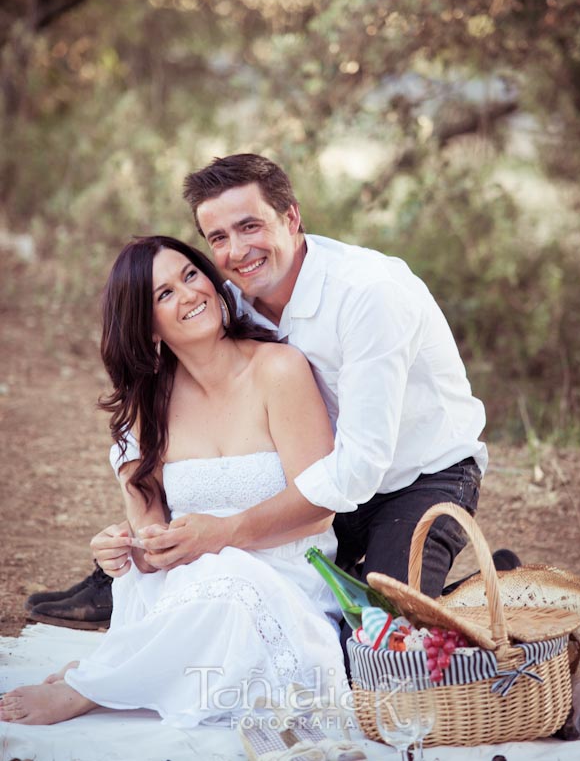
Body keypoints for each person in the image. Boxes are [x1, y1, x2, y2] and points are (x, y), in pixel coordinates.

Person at [93, 155, 492, 632]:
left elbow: (360, 467)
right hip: (321, 480)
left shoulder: (369, 294)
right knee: (198, 595)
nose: (238, 251)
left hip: (417, 478)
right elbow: (165, 399)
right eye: (219, 238)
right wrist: (147, 538)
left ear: (291, 218)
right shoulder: (229, 300)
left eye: (249, 226)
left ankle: (464, 596)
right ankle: (100, 587)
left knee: (378, 637)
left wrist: (227, 531)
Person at [1, 235, 346, 726]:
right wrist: (124, 548)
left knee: (227, 582)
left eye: (190, 275)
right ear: (148, 327)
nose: (188, 295)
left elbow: (320, 509)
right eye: (163, 294)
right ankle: (129, 670)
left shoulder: (279, 370)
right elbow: (150, 535)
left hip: (285, 580)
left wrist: (222, 536)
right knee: (150, 584)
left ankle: (94, 686)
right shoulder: (147, 405)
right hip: (190, 581)